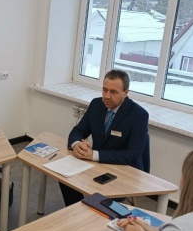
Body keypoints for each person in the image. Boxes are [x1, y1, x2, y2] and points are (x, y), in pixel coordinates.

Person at [60, 69, 149, 206]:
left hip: (124, 169)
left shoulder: (139, 115)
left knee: (102, 199)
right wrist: (77, 144)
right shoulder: (96, 104)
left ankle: (90, 212)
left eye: (113, 92)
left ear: (126, 93)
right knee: (65, 177)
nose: (107, 96)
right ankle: (77, 211)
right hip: (98, 164)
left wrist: (94, 155)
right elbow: (78, 131)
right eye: (104, 90)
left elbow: (132, 155)